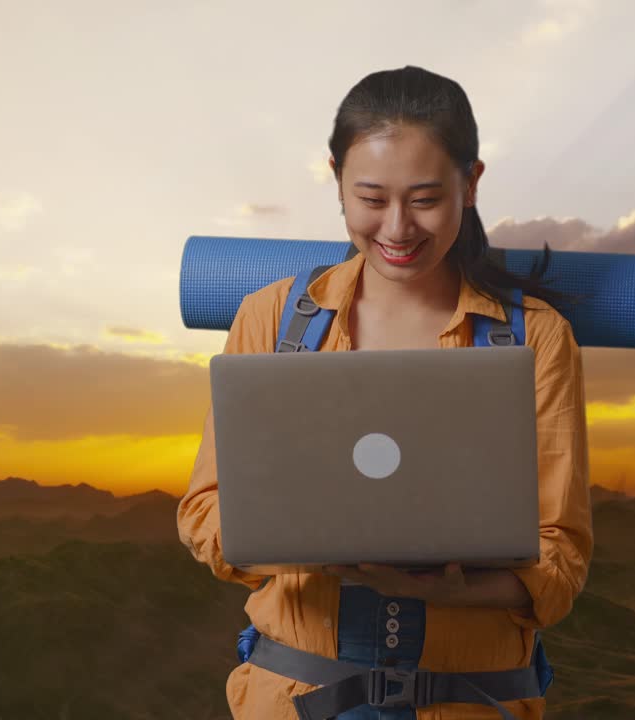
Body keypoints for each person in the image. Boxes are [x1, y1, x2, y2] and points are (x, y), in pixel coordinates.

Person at [177, 65, 593, 720]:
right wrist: (307, 536)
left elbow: (561, 559)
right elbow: (205, 511)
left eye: (425, 198)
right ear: (337, 182)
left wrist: (453, 589)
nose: (397, 228)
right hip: (290, 700)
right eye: (371, 199)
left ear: (471, 183)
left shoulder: (535, 339)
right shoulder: (273, 320)